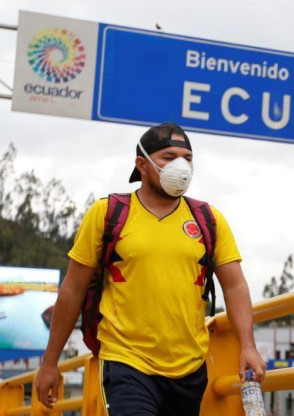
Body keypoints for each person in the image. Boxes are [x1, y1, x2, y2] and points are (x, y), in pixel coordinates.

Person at [34, 122, 266, 415]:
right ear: (141, 165)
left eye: (187, 158)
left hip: (190, 367)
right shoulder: (107, 214)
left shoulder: (208, 219)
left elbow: (235, 286)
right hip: (125, 362)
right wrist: (49, 362)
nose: (181, 166)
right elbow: (73, 289)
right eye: (169, 158)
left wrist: (248, 345)